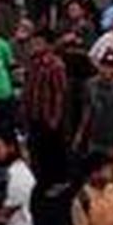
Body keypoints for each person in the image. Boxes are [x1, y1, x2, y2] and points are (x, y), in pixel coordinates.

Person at [23, 29, 69, 190]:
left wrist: (55, 118)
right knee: (38, 149)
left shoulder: (56, 65)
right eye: (33, 43)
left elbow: (59, 94)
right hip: (34, 114)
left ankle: (58, 181)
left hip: (49, 116)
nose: (34, 46)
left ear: (48, 45)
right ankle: (42, 181)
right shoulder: (33, 62)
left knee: (53, 150)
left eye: (38, 43)